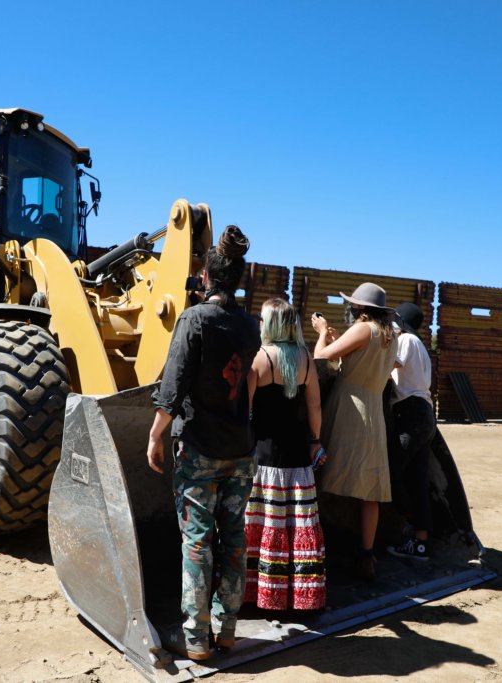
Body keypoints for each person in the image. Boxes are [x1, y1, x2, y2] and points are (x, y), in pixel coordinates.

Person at [147, 225, 260, 661]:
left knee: (196, 542)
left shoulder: (195, 319)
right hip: (240, 450)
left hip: (200, 450)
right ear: (239, 279)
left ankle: (196, 637)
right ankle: (227, 630)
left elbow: (171, 387)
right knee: (233, 540)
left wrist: (156, 436)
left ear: (207, 278)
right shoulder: (249, 326)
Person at [310, 283, 399, 581]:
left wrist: (322, 332)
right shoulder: (390, 335)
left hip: (348, 408)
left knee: (322, 474)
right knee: (369, 491)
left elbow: (320, 358)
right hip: (372, 410)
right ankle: (366, 555)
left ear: (359, 308)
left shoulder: (363, 330)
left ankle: (314, 552)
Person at [244, 298, 326, 611]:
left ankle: (259, 596)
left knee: (264, 524)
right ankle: (301, 599)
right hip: (297, 458)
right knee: (297, 525)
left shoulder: (260, 359)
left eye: (263, 320)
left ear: (272, 324)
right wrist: (315, 441)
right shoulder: (305, 358)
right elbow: (314, 407)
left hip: (263, 459)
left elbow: (247, 411)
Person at [385, 302, 437, 562]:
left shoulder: (407, 341)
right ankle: (420, 542)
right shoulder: (420, 345)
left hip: (411, 414)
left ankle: (406, 523)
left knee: (390, 472)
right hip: (424, 415)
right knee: (417, 481)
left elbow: (389, 364)